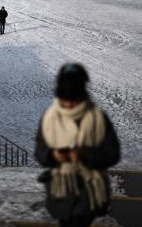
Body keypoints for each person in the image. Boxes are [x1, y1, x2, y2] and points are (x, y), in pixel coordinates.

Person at [35, 63, 120, 227]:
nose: (69, 105)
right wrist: (53, 155)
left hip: (89, 194)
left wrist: (84, 155)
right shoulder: (50, 118)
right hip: (60, 192)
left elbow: (113, 154)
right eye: (65, 98)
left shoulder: (97, 118)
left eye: (73, 99)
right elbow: (40, 152)